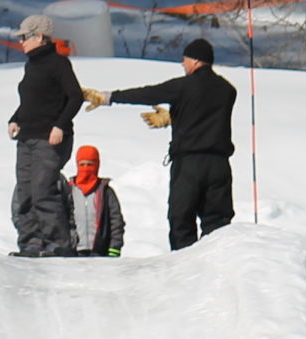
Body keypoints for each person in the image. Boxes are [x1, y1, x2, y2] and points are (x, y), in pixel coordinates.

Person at [85, 36, 237, 248]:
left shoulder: (184, 86)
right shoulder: (227, 90)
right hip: (219, 164)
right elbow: (204, 113)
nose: (183, 65)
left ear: (194, 61)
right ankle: (217, 267)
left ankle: (184, 266)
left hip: (189, 164)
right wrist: (174, 117)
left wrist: (108, 97)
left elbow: (148, 93)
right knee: (218, 222)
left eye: (184, 60)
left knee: (181, 219)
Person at [6, 14, 84, 255]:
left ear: (39, 37)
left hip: (49, 139)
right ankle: (31, 243)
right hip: (27, 137)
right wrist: (16, 119)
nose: (21, 42)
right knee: (25, 193)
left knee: (43, 191)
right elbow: (33, 102)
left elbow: (75, 97)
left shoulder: (58, 63)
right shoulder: (32, 65)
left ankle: (58, 245)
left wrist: (60, 125)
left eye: (25, 37)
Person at [68, 146, 125, 256]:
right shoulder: (69, 190)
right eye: (82, 164)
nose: (86, 169)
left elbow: (116, 221)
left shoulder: (105, 192)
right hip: (73, 252)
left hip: (101, 253)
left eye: (90, 164)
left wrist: (114, 247)